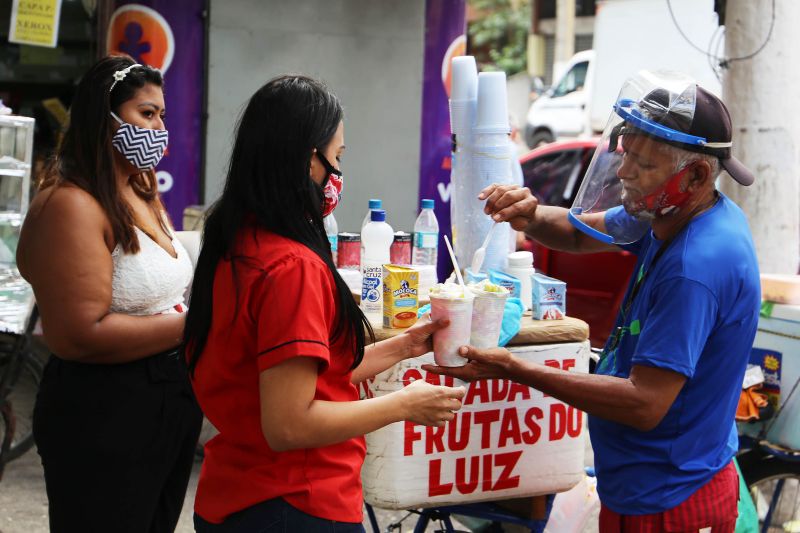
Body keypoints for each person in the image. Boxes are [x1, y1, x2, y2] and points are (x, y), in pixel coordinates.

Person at [424, 72, 760, 532]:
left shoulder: (695, 266)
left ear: (697, 174)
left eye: (642, 165)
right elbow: (580, 233)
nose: (624, 174)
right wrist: (531, 214)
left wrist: (514, 369)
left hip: (670, 500)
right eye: (626, 157)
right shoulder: (674, 212)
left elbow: (645, 403)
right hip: (645, 485)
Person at [183, 75, 466, 532]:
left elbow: (304, 378)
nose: (338, 174)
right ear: (304, 160)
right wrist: (404, 404)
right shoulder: (291, 267)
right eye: (335, 157)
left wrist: (405, 346)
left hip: (235, 495)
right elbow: (290, 424)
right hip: (294, 502)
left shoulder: (238, 242)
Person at [17, 55, 202, 532]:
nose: (159, 127)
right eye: (147, 114)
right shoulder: (70, 205)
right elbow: (79, 334)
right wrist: (199, 323)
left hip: (166, 399)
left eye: (162, 115)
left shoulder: (138, 188)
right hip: (104, 411)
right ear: (105, 117)